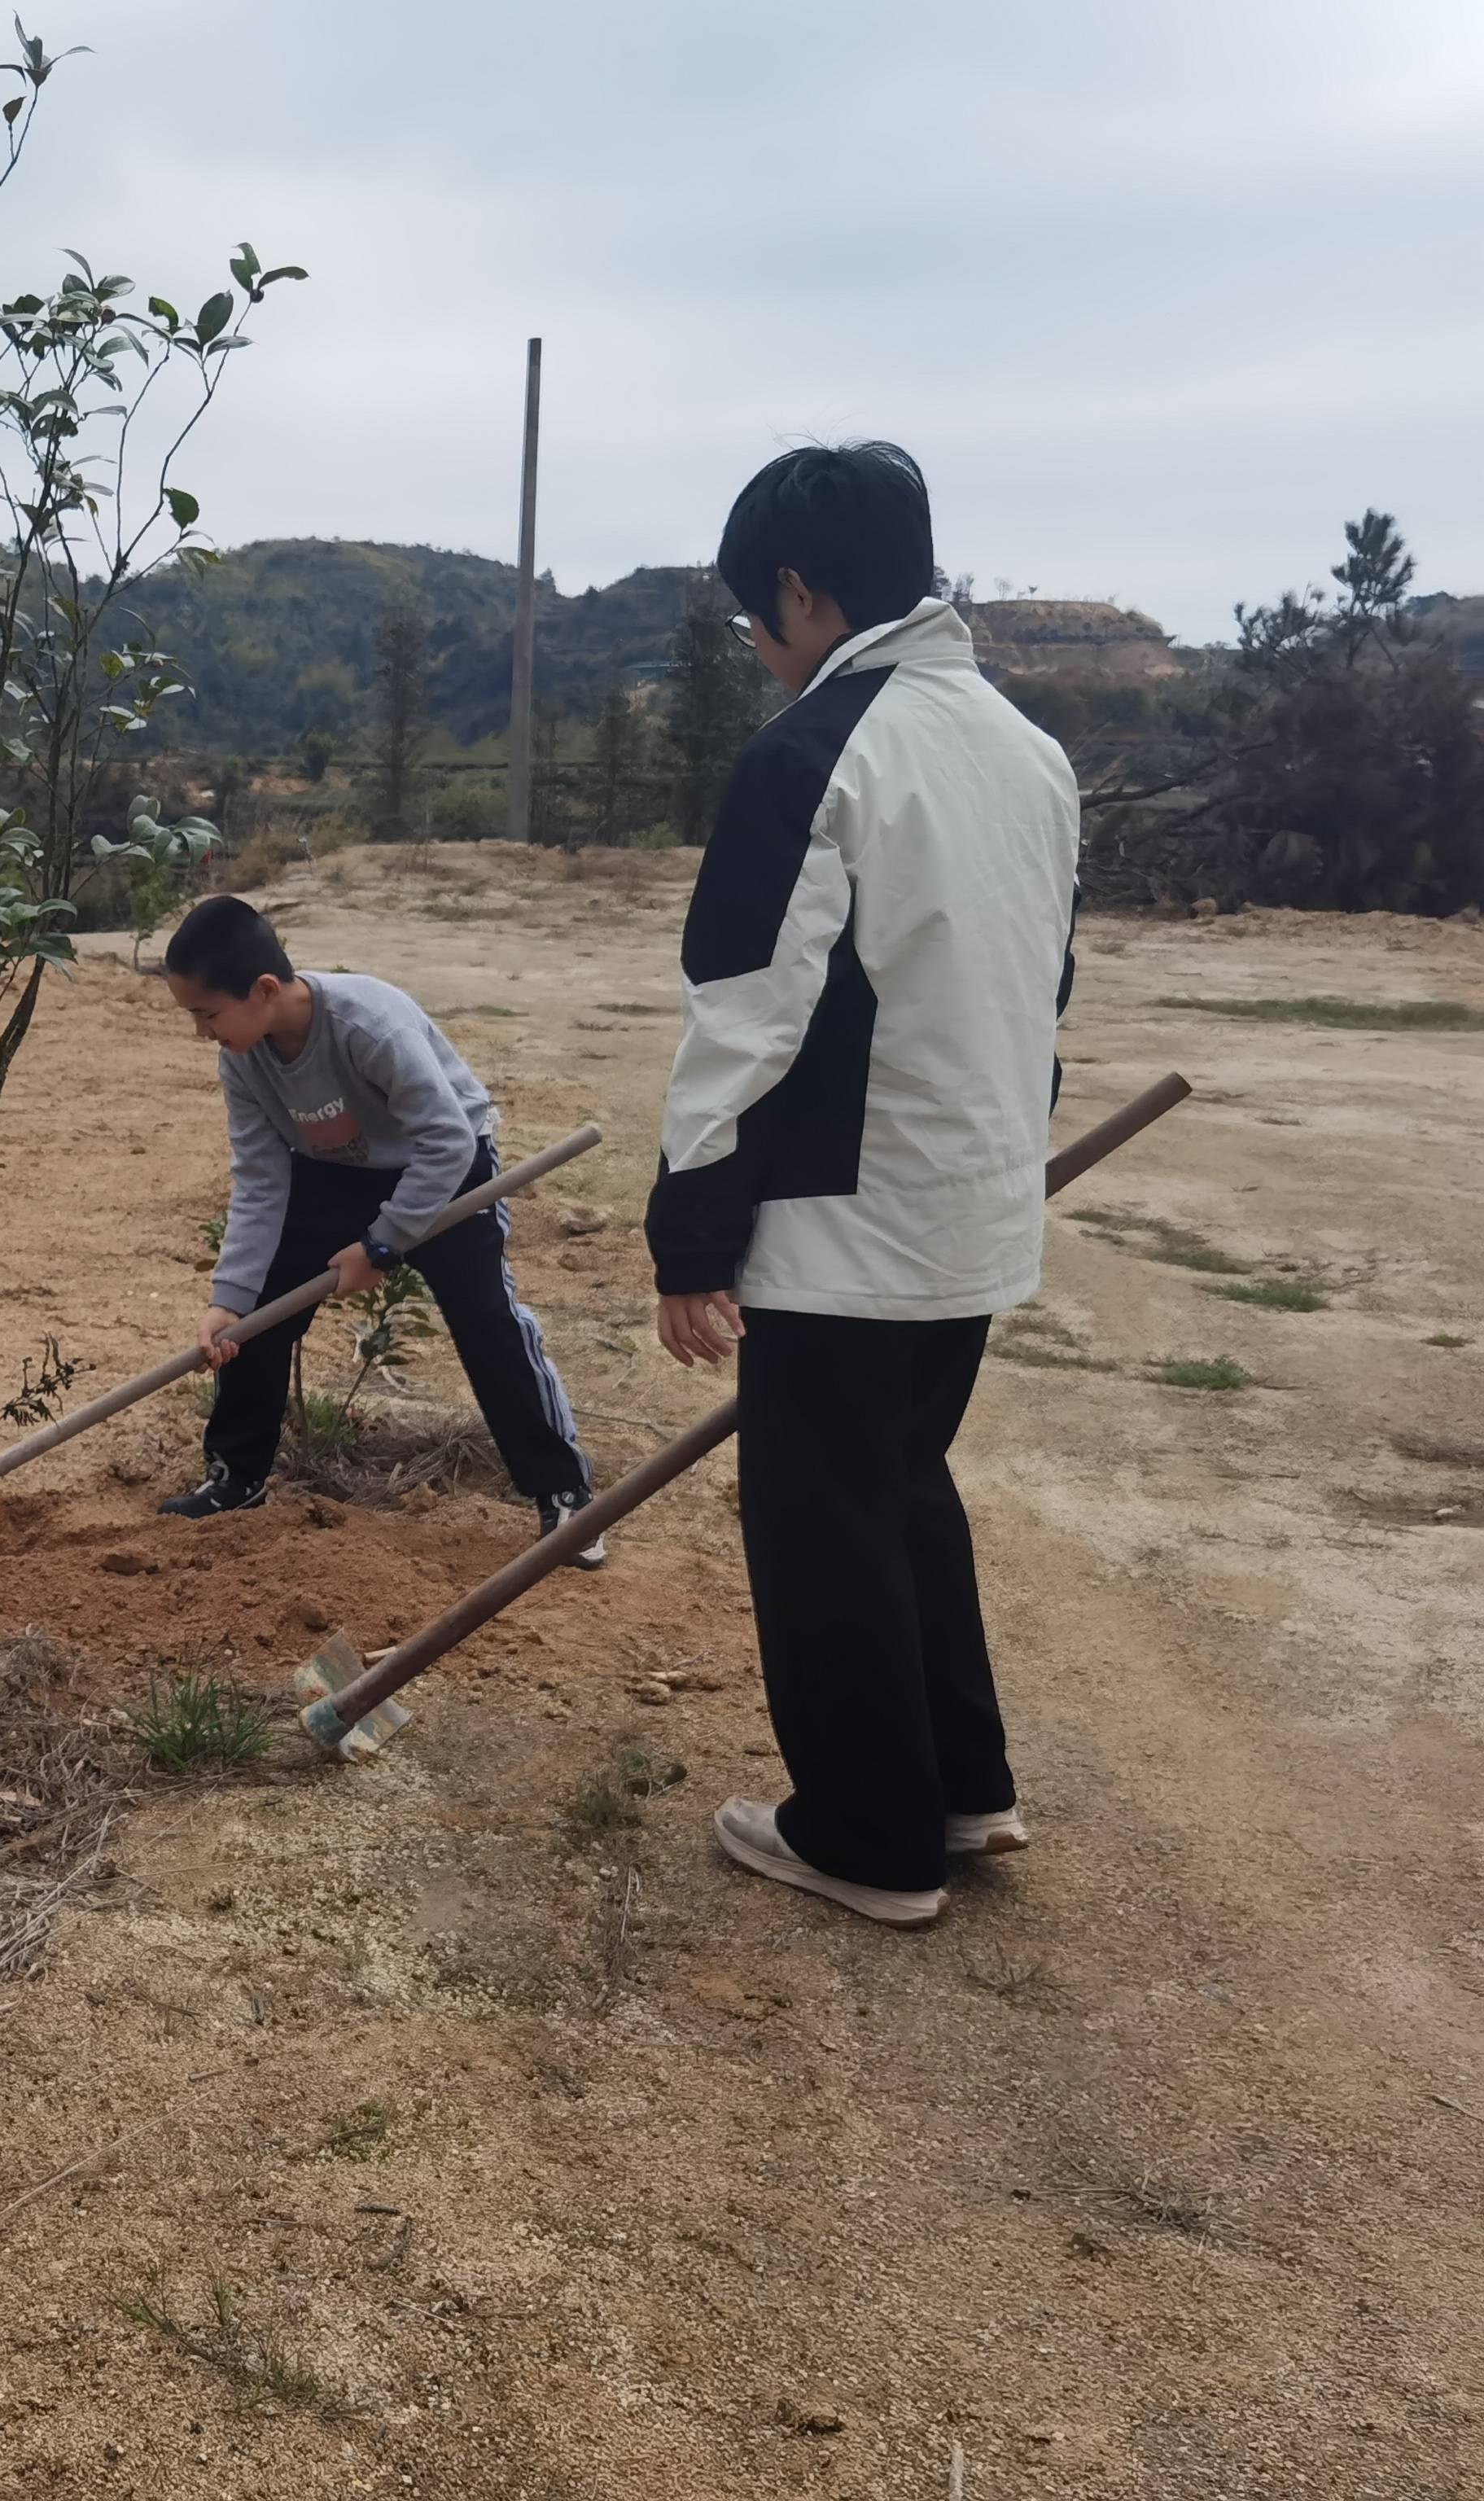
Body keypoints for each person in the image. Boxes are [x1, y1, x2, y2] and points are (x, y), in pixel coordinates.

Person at [647, 441, 1077, 1929]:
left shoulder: (816, 754)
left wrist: (692, 1240)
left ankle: (867, 1838)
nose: (760, 651)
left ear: (799, 591)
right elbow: (1048, 987)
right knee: (902, 1487)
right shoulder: (1026, 751)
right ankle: (960, 1788)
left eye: (752, 621)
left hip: (846, 1221)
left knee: (821, 1523)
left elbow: (743, 1014)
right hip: (972, 1203)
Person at [161, 894, 602, 1559]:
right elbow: (261, 1178)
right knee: (256, 1315)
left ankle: (563, 1492)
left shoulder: (369, 1025)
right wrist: (229, 1299)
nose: (202, 1033)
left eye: (208, 1014)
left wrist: (383, 1244)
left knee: (485, 1319)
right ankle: (236, 1479)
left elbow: (448, 1140)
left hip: (445, 1166)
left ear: (265, 990)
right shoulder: (242, 1058)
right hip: (332, 1170)